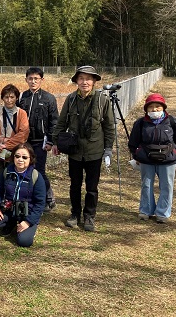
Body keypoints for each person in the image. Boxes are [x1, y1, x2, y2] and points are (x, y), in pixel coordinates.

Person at [52, 66, 114, 232]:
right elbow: (61, 122)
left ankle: (89, 216)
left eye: (88, 79)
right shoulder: (71, 99)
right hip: (75, 151)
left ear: (94, 82)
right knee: (75, 185)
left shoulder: (102, 100)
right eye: (81, 78)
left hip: (95, 150)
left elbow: (109, 126)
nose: (84, 82)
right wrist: (56, 142)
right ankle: (75, 214)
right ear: (76, 81)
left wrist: (108, 148)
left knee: (92, 187)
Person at [128, 93, 176, 223]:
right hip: (146, 160)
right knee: (146, 185)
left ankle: (163, 213)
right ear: (146, 109)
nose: (154, 110)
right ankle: (145, 210)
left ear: (163, 108)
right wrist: (136, 155)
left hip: (168, 160)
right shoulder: (141, 123)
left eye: (158, 107)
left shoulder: (173, 122)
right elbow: (133, 142)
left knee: (167, 186)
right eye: (151, 107)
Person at [0, 143, 46, 247]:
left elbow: (40, 203)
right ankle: (10, 223)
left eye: (24, 157)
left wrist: (28, 222)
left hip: (28, 213)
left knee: (24, 242)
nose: (20, 159)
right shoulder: (7, 172)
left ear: (30, 159)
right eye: (17, 156)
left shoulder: (36, 176)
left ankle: (27, 226)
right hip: (9, 210)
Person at [18, 67, 59, 211]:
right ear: (26, 80)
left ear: (42, 80)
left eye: (36, 78)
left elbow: (54, 121)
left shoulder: (49, 98)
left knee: (39, 171)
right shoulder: (22, 98)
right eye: (30, 78)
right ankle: (29, 199)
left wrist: (50, 141)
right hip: (25, 142)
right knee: (25, 170)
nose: (33, 81)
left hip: (41, 141)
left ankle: (48, 197)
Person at [0, 84, 29, 192]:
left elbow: (23, 133)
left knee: (13, 178)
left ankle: (11, 200)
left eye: (12, 97)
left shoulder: (22, 113)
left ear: (16, 98)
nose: (9, 100)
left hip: (15, 152)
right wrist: (0, 140)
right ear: (2, 98)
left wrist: (7, 144)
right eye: (6, 97)